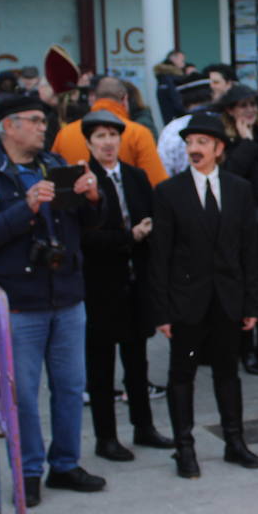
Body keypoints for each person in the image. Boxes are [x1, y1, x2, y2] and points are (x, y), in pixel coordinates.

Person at [0, 95, 107, 507]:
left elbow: (92, 223)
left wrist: (94, 197)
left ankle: (65, 464)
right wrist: (24, 208)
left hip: (66, 295)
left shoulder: (55, 164)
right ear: (9, 125)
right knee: (23, 393)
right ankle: (28, 472)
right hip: (20, 302)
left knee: (70, 386)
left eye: (44, 120)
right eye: (35, 120)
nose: (44, 127)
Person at [147, 112, 258, 477]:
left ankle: (235, 441)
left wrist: (251, 303)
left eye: (201, 143)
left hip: (227, 299)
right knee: (182, 375)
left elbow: (249, 251)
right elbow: (159, 256)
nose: (194, 150)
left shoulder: (238, 189)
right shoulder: (169, 192)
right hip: (187, 301)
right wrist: (162, 311)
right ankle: (184, 448)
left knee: (228, 373)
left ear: (219, 148)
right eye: (189, 143)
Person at [77, 109, 174, 460]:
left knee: (137, 361)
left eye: (112, 135)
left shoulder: (135, 176)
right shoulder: (84, 179)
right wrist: (128, 237)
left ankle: (143, 426)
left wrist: (148, 230)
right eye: (100, 136)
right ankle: (106, 437)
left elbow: (152, 215)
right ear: (89, 142)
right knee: (101, 366)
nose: (108, 142)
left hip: (136, 283)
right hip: (100, 286)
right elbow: (84, 236)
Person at [216, 84, 258, 375]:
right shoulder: (227, 140)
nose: (249, 110)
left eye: (252, 104)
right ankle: (246, 349)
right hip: (242, 224)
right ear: (230, 111)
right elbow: (229, 175)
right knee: (248, 285)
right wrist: (244, 144)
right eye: (242, 105)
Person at [52, 76, 169, 186]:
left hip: (75, 204)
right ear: (124, 99)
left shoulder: (65, 134)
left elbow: (54, 178)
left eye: (113, 135)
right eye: (101, 136)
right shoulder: (138, 133)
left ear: (94, 100)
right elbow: (156, 183)